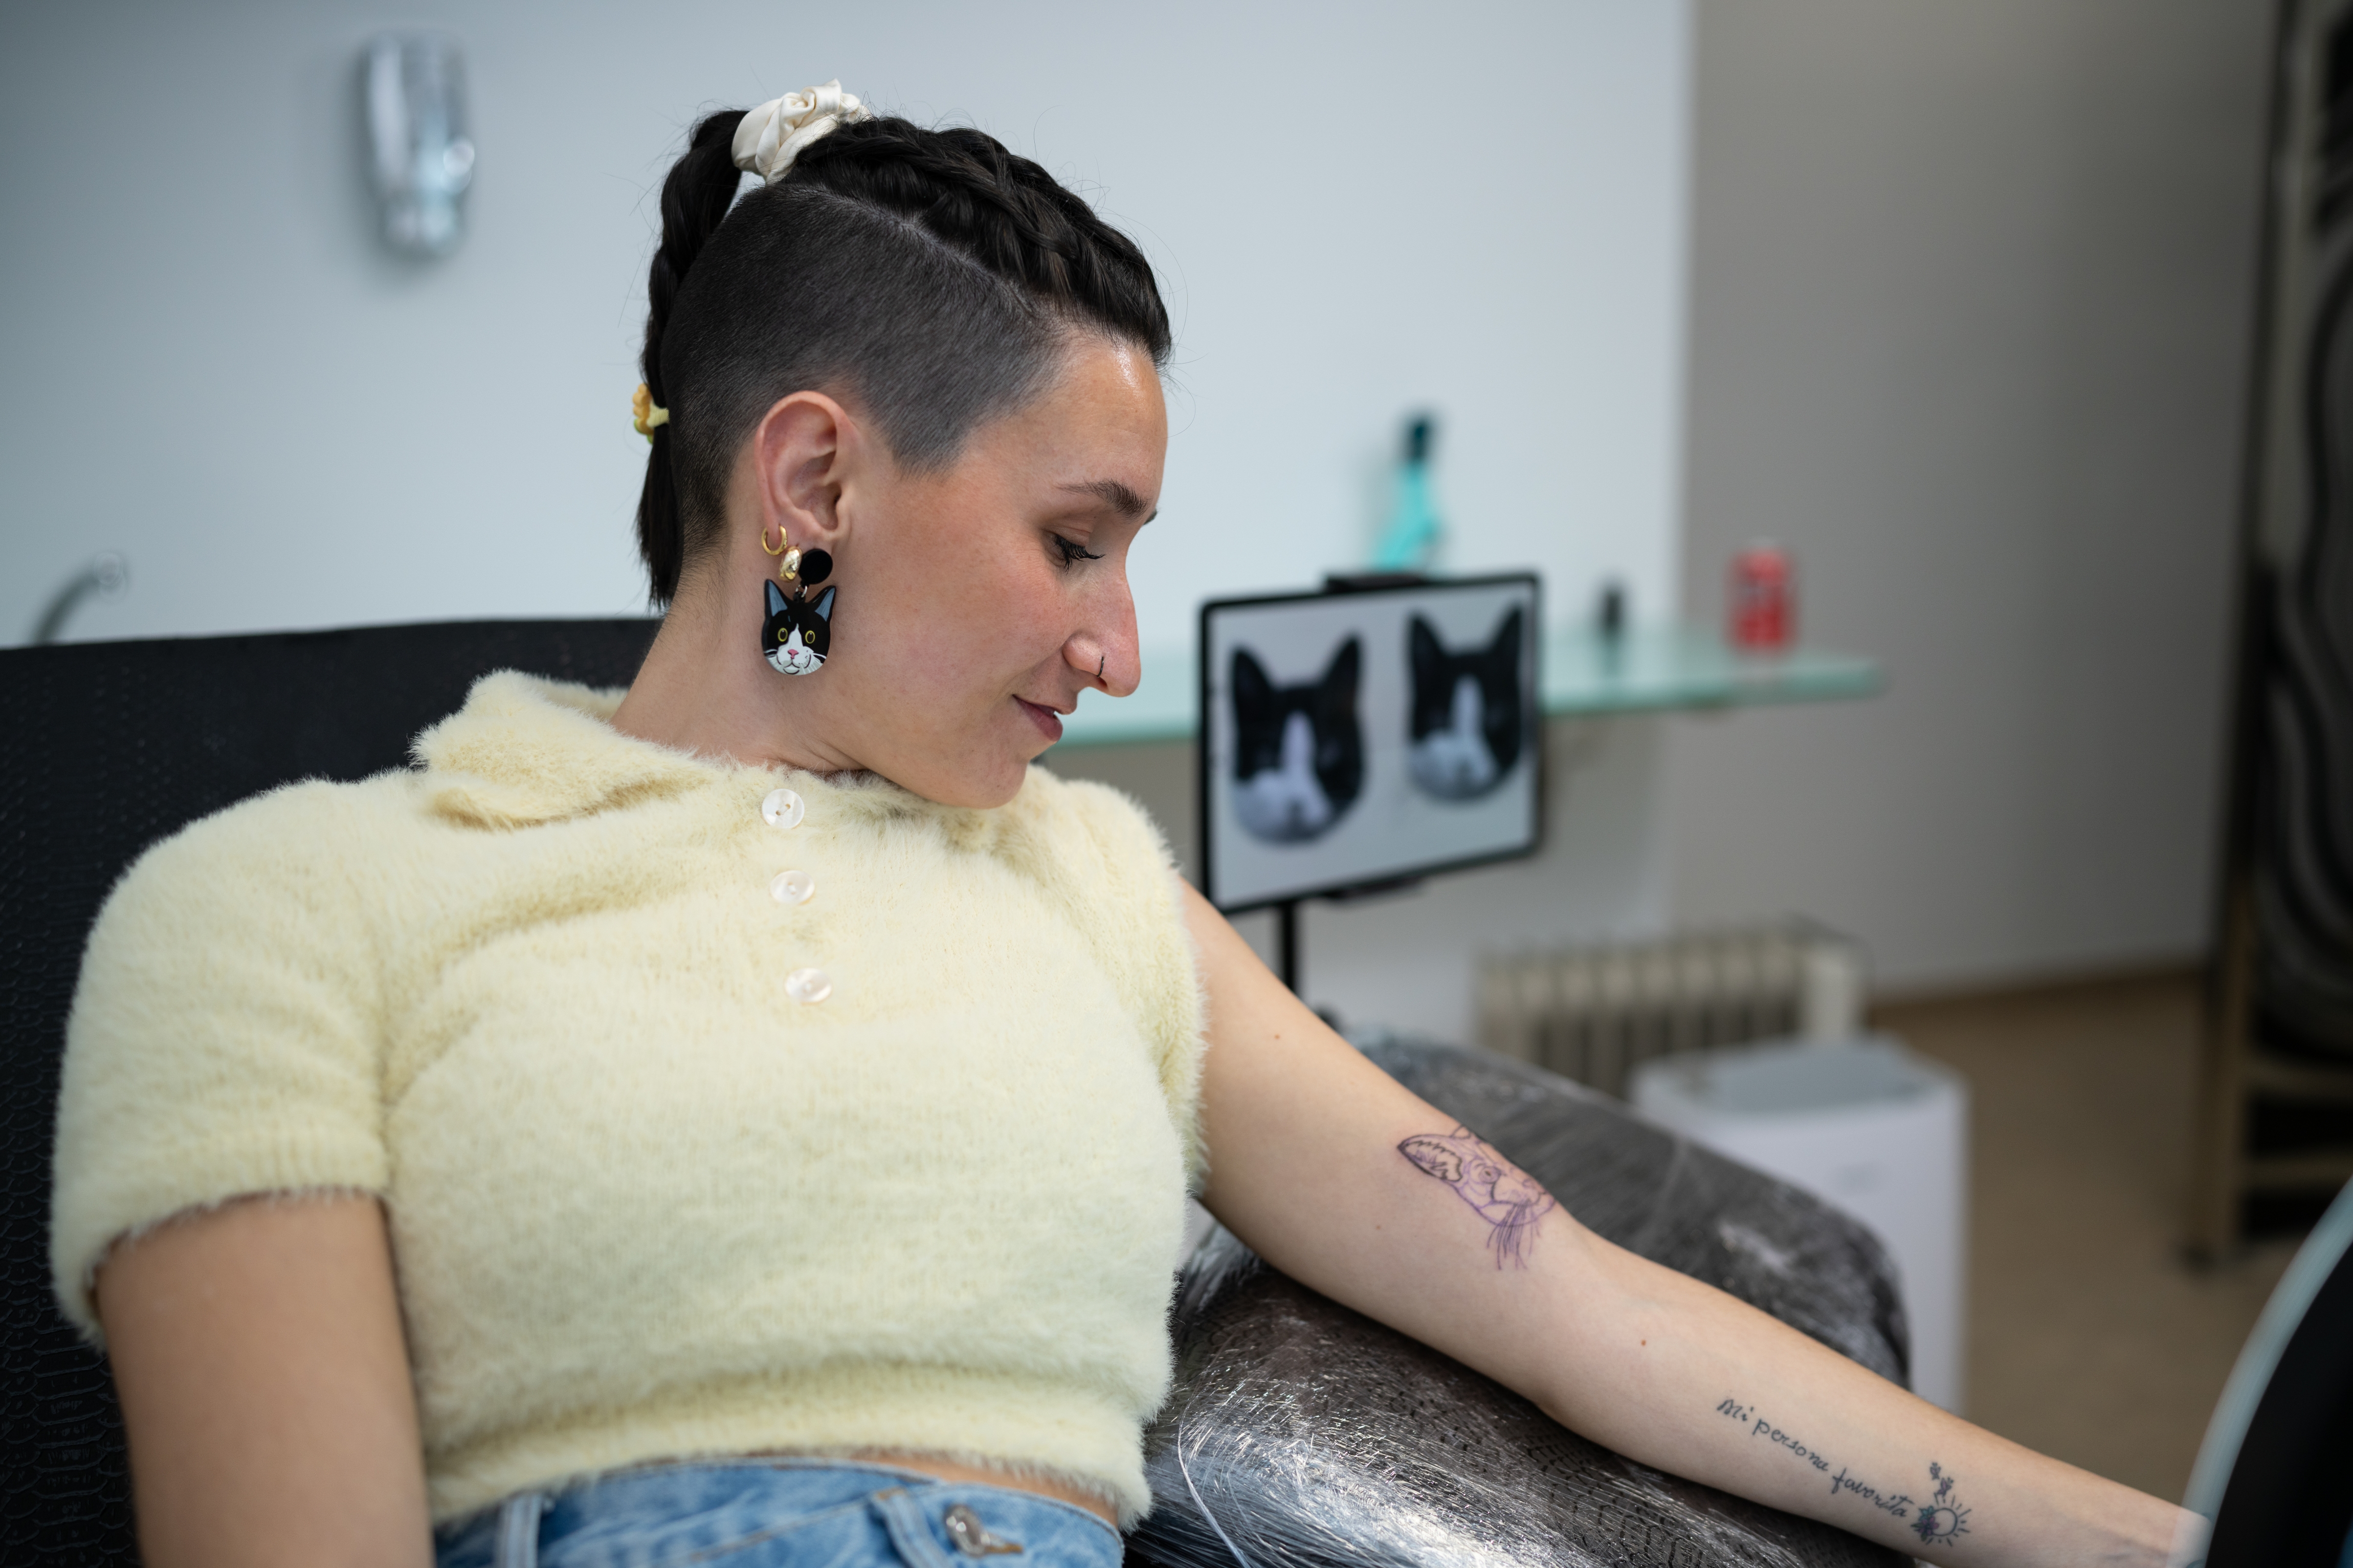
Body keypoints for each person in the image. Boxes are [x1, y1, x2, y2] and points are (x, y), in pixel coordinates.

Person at [52, 82, 2201, 1568]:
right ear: (814, 485)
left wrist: (2140, 1533)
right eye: (1076, 542)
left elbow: (1565, 1300)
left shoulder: (1092, 890)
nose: (1119, 645)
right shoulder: (280, 907)